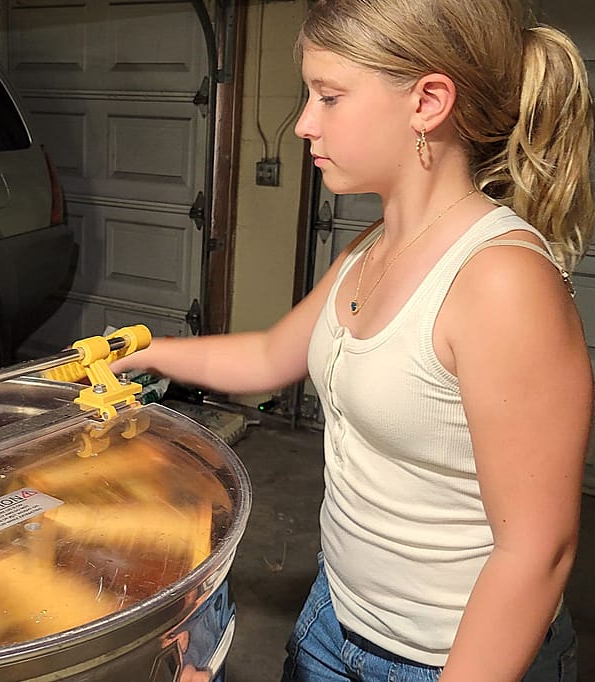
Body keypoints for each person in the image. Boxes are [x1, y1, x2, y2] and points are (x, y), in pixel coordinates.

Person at [112, 1, 594, 680]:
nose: (305, 123)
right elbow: (267, 356)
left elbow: (536, 553)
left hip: (445, 658)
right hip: (333, 619)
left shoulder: (500, 282)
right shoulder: (370, 249)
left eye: (328, 96)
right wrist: (139, 354)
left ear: (427, 101)